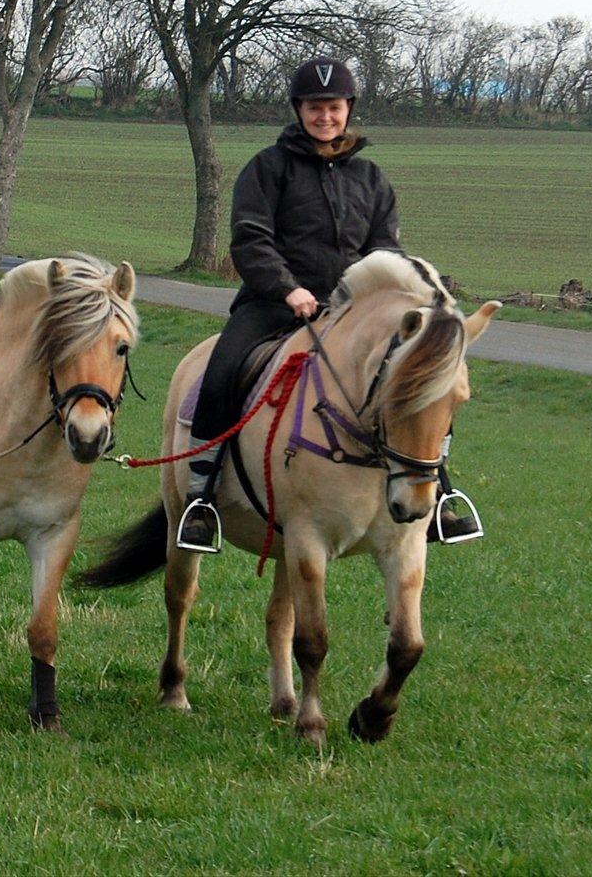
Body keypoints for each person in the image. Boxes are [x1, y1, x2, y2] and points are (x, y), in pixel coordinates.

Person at [177, 56, 479, 552]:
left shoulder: (371, 179)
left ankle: (440, 489)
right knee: (223, 368)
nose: (325, 117)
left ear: (348, 110)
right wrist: (287, 288)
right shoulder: (266, 168)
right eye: (315, 108)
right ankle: (201, 496)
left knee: (428, 379)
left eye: (333, 108)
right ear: (299, 110)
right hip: (274, 306)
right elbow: (251, 239)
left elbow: (386, 252)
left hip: (351, 318)